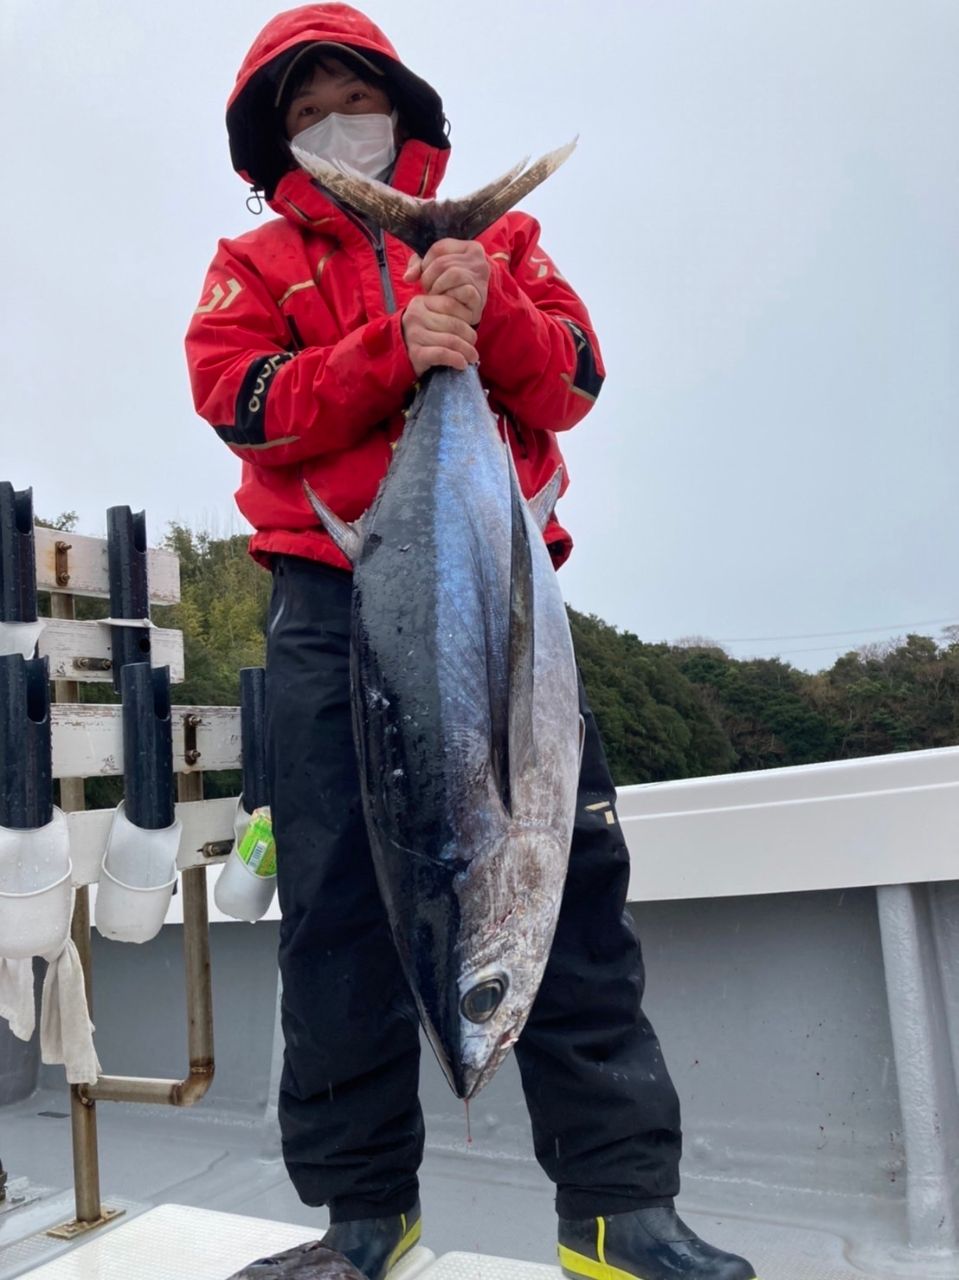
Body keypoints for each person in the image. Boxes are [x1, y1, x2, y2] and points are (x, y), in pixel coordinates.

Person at [185, 7, 756, 1280]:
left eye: (357, 99)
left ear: (403, 110)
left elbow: (573, 380)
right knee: (332, 920)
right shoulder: (254, 262)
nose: (340, 125)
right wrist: (398, 346)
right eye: (307, 111)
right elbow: (239, 399)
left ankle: (617, 1212)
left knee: (574, 897)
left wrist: (483, 307)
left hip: (503, 614)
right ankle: (360, 1219)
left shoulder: (503, 240)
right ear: (277, 141)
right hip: (333, 612)